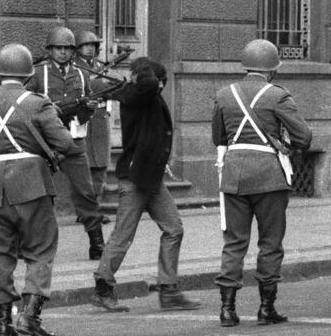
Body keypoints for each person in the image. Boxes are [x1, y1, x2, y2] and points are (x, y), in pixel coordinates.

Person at [0, 44, 74, 336]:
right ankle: (29, 319)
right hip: (32, 185)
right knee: (40, 250)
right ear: (28, 74)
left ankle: (3, 324)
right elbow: (65, 144)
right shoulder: (38, 103)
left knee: (1, 256)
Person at [211, 39, 312, 327]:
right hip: (269, 175)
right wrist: (285, 143)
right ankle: (266, 309)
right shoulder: (278, 96)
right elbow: (304, 138)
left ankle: (227, 310)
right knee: (270, 243)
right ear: (272, 70)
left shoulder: (224, 94)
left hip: (233, 175)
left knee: (234, 243)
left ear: (246, 66)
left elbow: (218, 138)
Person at [89, 57, 201, 312]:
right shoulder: (138, 94)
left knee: (173, 228)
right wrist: (142, 72)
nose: (161, 86)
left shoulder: (140, 95)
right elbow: (149, 84)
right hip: (135, 177)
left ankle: (169, 289)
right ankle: (102, 289)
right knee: (123, 234)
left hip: (150, 178)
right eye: (161, 82)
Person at [26, 26, 106, 260]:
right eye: (58, 48)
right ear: (50, 50)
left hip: (74, 140)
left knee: (86, 192)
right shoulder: (38, 73)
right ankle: (33, 243)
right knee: (37, 193)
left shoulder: (81, 73)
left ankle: (97, 241)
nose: (62, 53)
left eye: (67, 49)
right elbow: (24, 104)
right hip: (44, 142)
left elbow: (88, 107)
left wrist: (87, 109)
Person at [73, 30, 112, 224]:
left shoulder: (101, 66)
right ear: (78, 48)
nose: (90, 48)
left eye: (93, 45)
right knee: (85, 167)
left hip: (100, 119)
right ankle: (85, 210)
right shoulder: (74, 67)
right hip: (84, 119)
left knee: (101, 166)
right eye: (85, 45)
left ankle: (96, 208)